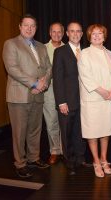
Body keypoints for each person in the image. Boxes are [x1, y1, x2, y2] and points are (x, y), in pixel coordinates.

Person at [2, 14, 51, 178]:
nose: (30, 28)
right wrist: (34, 84)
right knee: (19, 131)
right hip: (19, 95)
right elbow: (12, 69)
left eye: (33, 26)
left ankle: (33, 158)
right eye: (26, 25)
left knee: (35, 130)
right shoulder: (11, 44)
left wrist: (43, 84)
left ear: (36, 28)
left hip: (38, 95)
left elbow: (48, 68)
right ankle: (20, 163)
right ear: (20, 26)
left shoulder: (41, 47)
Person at [78, 24, 111, 178]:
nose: (97, 36)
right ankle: (96, 161)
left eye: (100, 33)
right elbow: (85, 76)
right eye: (94, 34)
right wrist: (103, 91)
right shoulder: (84, 53)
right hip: (92, 98)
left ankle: (104, 159)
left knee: (105, 131)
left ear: (105, 37)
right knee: (92, 132)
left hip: (108, 99)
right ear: (89, 37)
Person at [52, 21, 87, 175]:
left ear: (82, 33)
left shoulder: (86, 51)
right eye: (72, 31)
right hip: (67, 101)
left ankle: (80, 158)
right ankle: (69, 161)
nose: (75, 34)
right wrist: (61, 102)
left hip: (85, 101)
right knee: (67, 132)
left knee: (80, 131)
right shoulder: (60, 52)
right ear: (67, 33)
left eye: (78, 31)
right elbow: (57, 79)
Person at [44, 22, 65, 165]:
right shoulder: (42, 49)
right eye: (54, 32)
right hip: (49, 89)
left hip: (65, 89)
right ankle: (55, 151)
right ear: (50, 33)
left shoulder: (68, 48)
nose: (56, 34)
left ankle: (66, 150)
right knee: (51, 121)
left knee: (66, 120)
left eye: (59, 32)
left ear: (63, 34)